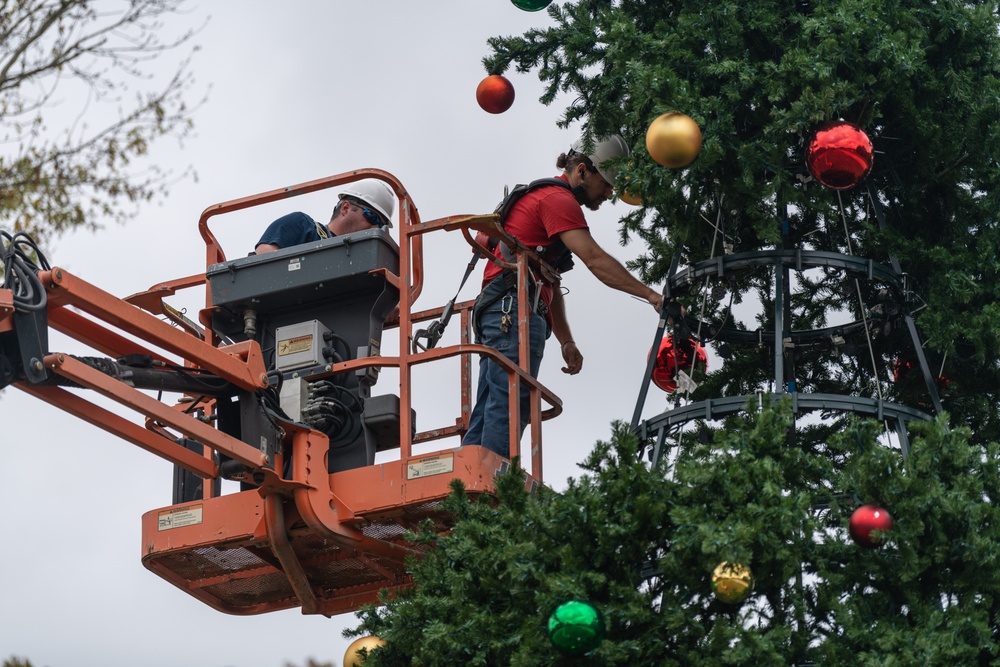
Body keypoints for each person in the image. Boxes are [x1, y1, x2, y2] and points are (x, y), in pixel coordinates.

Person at [462, 134, 664, 458]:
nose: (611, 193)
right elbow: (595, 260)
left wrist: (565, 340)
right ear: (583, 171)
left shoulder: (546, 200)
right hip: (511, 311)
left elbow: (546, 281)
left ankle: (471, 484)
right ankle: (492, 490)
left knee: (493, 402)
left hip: (509, 308)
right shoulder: (557, 200)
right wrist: (652, 296)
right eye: (607, 182)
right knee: (511, 404)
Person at [255, 179, 395, 253]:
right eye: (371, 216)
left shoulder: (364, 260)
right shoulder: (303, 225)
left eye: (381, 225)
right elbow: (263, 255)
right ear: (345, 208)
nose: (375, 227)